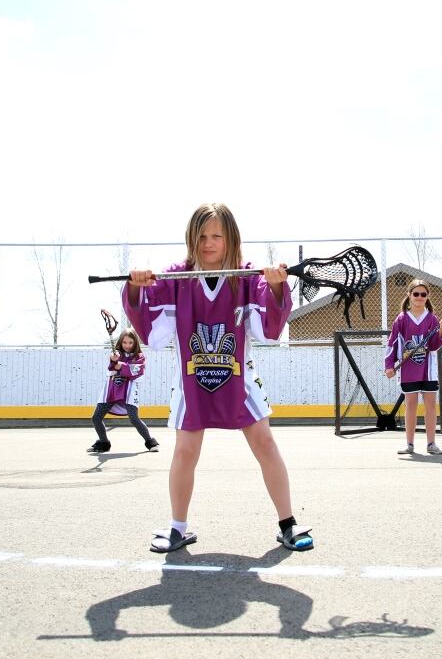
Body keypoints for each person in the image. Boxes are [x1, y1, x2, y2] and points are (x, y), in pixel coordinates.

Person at [123, 203, 313, 553]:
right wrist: (136, 287)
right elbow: (153, 335)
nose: (208, 243)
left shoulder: (247, 275)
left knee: (265, 444)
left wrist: (273, 287)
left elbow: (267, 330)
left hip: (240, 379)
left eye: (216, 236)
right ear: (191, 239)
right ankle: (177, 527)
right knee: (185, 450)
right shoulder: (176, 277)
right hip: (192, 381)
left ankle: (288, 523)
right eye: (201, 236)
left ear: (230, 239)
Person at [384, 279, 442, 456]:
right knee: (411, 405)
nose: (419, 297)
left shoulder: (432, 319)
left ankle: (431, 444)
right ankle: (409, 444)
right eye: (416, 294)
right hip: (407, 370)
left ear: (427, 296)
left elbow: (434, 345)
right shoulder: (401, 319)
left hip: (427, 370)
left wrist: (441, 330)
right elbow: (392, 344)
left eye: (423, 294)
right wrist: (389, 365)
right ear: (409, 295)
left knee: (430, 405)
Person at [87, 329, 160, 454]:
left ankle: (150, 442)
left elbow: (138, 370)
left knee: (134, 419)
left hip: (129, 391)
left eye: (130, 342)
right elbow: (111, 369)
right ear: (121, 342)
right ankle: (103, 443)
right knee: (96, 417)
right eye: (124, 342)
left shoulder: (139, 356)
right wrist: (113, 360)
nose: (127, 345)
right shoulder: (116, 354)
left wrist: (120, 365)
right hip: (112, 389)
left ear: (135, 343)